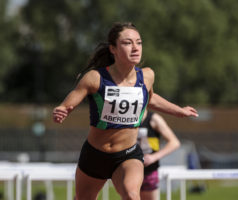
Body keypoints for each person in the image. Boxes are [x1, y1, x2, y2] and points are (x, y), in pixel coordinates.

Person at [52, 22, 198, 200]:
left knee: (131, 195)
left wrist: (178, 111)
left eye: (139, 42)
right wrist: (62, 109)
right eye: (128, 43)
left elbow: (150, 98)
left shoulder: (147, 76)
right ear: (113, 48)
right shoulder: (95, 78)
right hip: (95, 154)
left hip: (128, 154)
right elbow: (72, 99)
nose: (135, 47)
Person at [138, 109, 180, 200]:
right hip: (130, 170)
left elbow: (174, 142)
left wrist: (154, 157)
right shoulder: (125, 118)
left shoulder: (154, 119)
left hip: (149, 170)